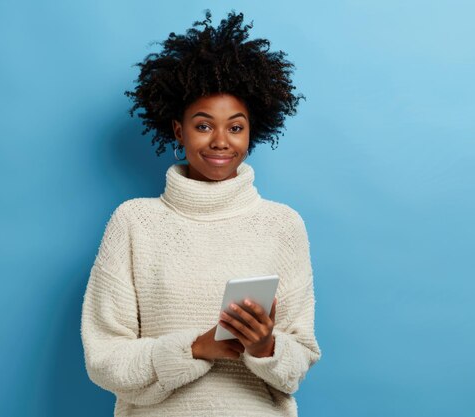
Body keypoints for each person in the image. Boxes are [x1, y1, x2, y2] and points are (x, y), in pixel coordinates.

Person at [80, 10, 321, 417]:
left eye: (236, 127)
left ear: (252, 131)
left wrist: (265, 348)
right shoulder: (134, 222)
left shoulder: (283, 225)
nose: (221, 142)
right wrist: (195, 348)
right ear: (178, 129)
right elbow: (104, 359)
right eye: (204, 125)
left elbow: (299, 360)